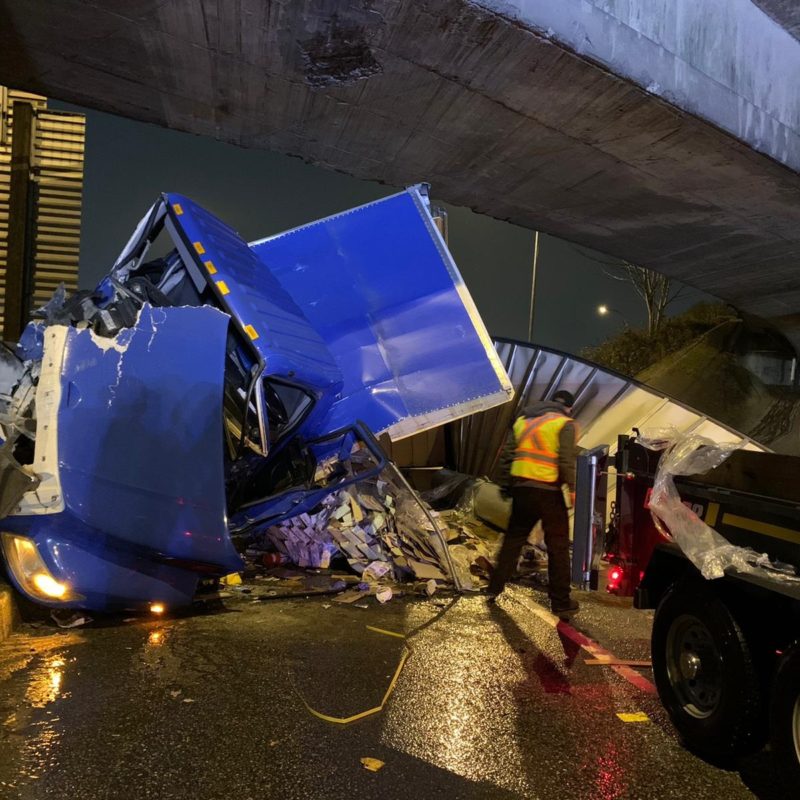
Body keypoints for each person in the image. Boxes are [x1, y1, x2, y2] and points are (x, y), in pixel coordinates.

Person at [488, 389, 579, 619]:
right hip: (548, 490)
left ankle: (494, 587)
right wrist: (573, 489)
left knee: (513, 539)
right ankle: (561, 602)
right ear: (568, 407)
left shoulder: (524, 420)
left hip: (522, 489)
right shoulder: (564, 423)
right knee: (558, 546)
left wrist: (504, 485)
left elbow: (508, 454)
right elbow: (566, 459)